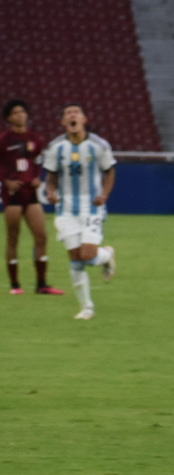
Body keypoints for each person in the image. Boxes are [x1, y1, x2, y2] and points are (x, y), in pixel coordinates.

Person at [40, 104, 116, 319]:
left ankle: (107, 254)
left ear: (84, 119)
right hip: (65, 209)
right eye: (68, 113)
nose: (72, 115)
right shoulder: (56, 147)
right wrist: (51, 191)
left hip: (91, 207)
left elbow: (110, 171)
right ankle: (87, 307)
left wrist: (105, 195)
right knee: (75, 260)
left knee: (88, 256)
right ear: (63, 122)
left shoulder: (99, 145)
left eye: (76, 112)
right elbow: (52, 176)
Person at [2, 99, 61, 296]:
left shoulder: (36, 139)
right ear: (9, 118)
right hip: (13, 194)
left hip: (31, 192)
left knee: (41, 236)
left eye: (22, 112)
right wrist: (6, 181)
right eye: (16, 113)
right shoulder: (4, 140)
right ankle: (15, 285)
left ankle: (42, 284)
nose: (20, 115)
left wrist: (37, 177)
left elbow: (36, 162)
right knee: (13, 238)